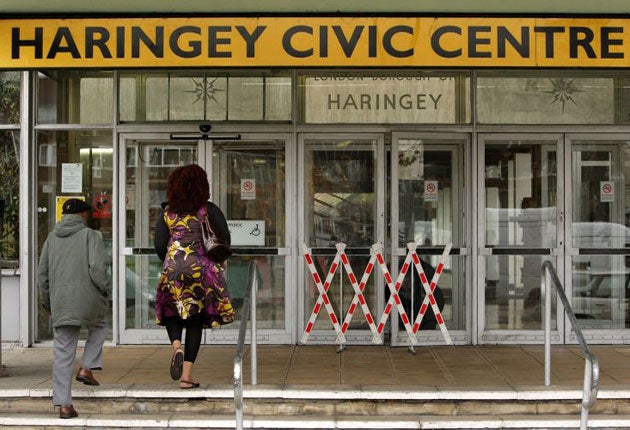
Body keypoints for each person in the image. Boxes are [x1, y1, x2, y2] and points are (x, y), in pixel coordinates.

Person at [154, 164, 235, 389]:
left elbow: (159, 244)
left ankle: (176, 346)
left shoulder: (167, 212)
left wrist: (171, 261)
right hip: (202, 269)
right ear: (202, 185)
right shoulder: (208, 210)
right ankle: (186, 376)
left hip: (173, 267)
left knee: (171, 311)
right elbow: (224, 238)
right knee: (194, 320)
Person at [37, 198, 111, 419]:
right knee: (99, 325)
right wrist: (105, 290)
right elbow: (97, 269)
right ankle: (87, 367)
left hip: (61, 301)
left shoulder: (51, 239)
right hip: (87, 299)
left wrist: (47, 303)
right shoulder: (91, 236)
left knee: (62, 352)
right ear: (84, 215)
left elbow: (42, 276)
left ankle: (64, 405)